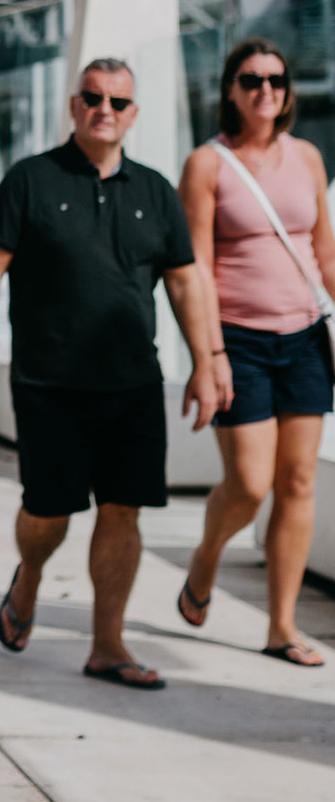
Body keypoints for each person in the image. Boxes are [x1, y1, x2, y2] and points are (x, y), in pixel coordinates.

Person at [0, 56, 225, 691]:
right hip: (48, 382)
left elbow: (186, 282)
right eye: (93, 97)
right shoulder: (30, 179)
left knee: (122, 511)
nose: (106, 108)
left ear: (134, 114)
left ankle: (107, 645)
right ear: (74, 106)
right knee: (48, 514)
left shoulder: (156, 190)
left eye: (119, 101)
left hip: (132, 382)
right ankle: (28, 579)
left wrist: (206, 362)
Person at [176, 39, 333, 667]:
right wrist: (207, 353)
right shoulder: (207, 165)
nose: (265, 90)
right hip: (237, 338)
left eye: (275, 79)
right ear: (231, 91)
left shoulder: (310, 158)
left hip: (304, 338)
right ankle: (207, 556)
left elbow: (324, 252)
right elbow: (197, 270)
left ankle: (281, 627)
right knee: (247, 482)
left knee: (297, 481)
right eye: (251, 80)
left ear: (287, 90)